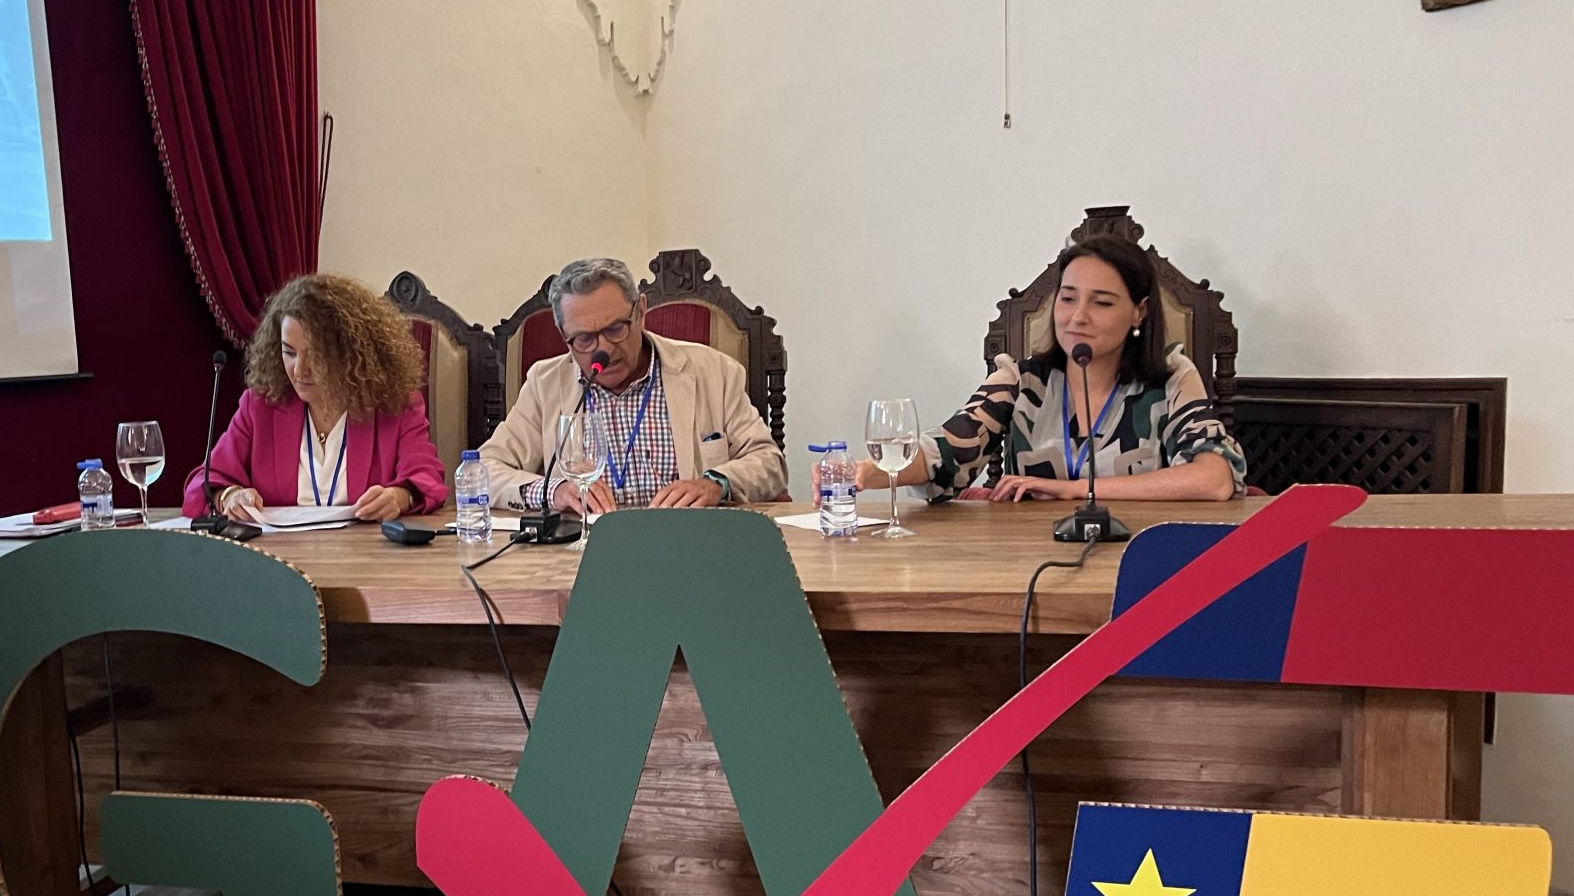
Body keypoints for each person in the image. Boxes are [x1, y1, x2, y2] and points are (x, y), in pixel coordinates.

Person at [836, 235, 1245, 504]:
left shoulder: (1171, 378)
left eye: (1101, 302)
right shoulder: (1020, 380)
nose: (1078, 317)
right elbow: (944, 453)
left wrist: (1073, 490)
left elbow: (1214, 478)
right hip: (1032, 562)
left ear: (1138, 311)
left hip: (1140, 560)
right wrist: (867, 472)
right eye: (1067, 299)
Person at [479, 257, 786, 512]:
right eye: (584, 338)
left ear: (640, 312)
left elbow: (770, 463)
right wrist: (554, 491)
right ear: (563, 335)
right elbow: (484, 470)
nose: (604, 349)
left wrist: (716, 484)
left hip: (693, 542)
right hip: (586, 551)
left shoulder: (713, 371)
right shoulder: (545, 384)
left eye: (615, 329)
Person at [182, 274, 448, 523]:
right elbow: (202, 483)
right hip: (279, 552)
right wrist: (228, 496)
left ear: (349, 352)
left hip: (366, 551)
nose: (299, 370)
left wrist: (400, 497)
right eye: (289, 352)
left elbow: (427, 477)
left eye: (316, 355)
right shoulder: (260, 405)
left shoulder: (394, 404)